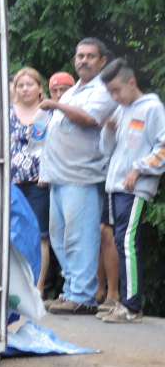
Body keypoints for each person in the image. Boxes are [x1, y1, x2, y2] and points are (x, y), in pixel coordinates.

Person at [38, 38, 117, 314]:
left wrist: (57, 105)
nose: (83, 60)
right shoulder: (73, 91)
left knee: (80, 238)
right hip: (59, 177)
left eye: (90, 56)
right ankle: (71, 290)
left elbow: (90, 119)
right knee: (60, 238)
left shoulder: (103, 89)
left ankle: (83, 296)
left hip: (82, 176)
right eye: (80, 55)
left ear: (102, 61)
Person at [96, 59, 165, 323]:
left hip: (135, 188)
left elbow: (163, 147)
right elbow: (107, 150)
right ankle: (124, 303)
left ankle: (132, 307)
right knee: (119, 241)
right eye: (110, 92)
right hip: (114, 186)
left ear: (132, 82)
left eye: (116, 90)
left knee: (127, 242)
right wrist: (108, 130)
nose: (114, 97)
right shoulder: (121, 110)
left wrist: (138, 169)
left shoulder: (152, 108)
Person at [8, 67, 51, 292]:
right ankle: (15, 286)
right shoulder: (7, 113)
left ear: (39, 88)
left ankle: (38, 288)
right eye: (20, 85)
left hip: (38, 182)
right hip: (12, 182)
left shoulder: (47, 113)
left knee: (40, 235)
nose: (25, 89)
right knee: (13, 233)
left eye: (29, 84)